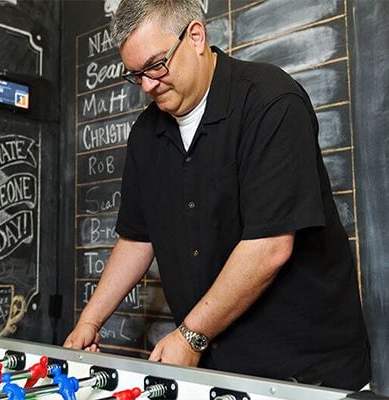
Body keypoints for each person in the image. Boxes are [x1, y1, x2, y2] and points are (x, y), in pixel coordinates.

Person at [64, 0, 371, 391]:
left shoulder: (270, 101)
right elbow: (136, 238)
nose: (147, 85)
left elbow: (270, 245)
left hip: (306, 369)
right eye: (135, 75)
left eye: (156, 65)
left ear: (195, 36)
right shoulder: (146, 133)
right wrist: (89, 322)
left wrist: (191, 334)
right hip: (214, 365)